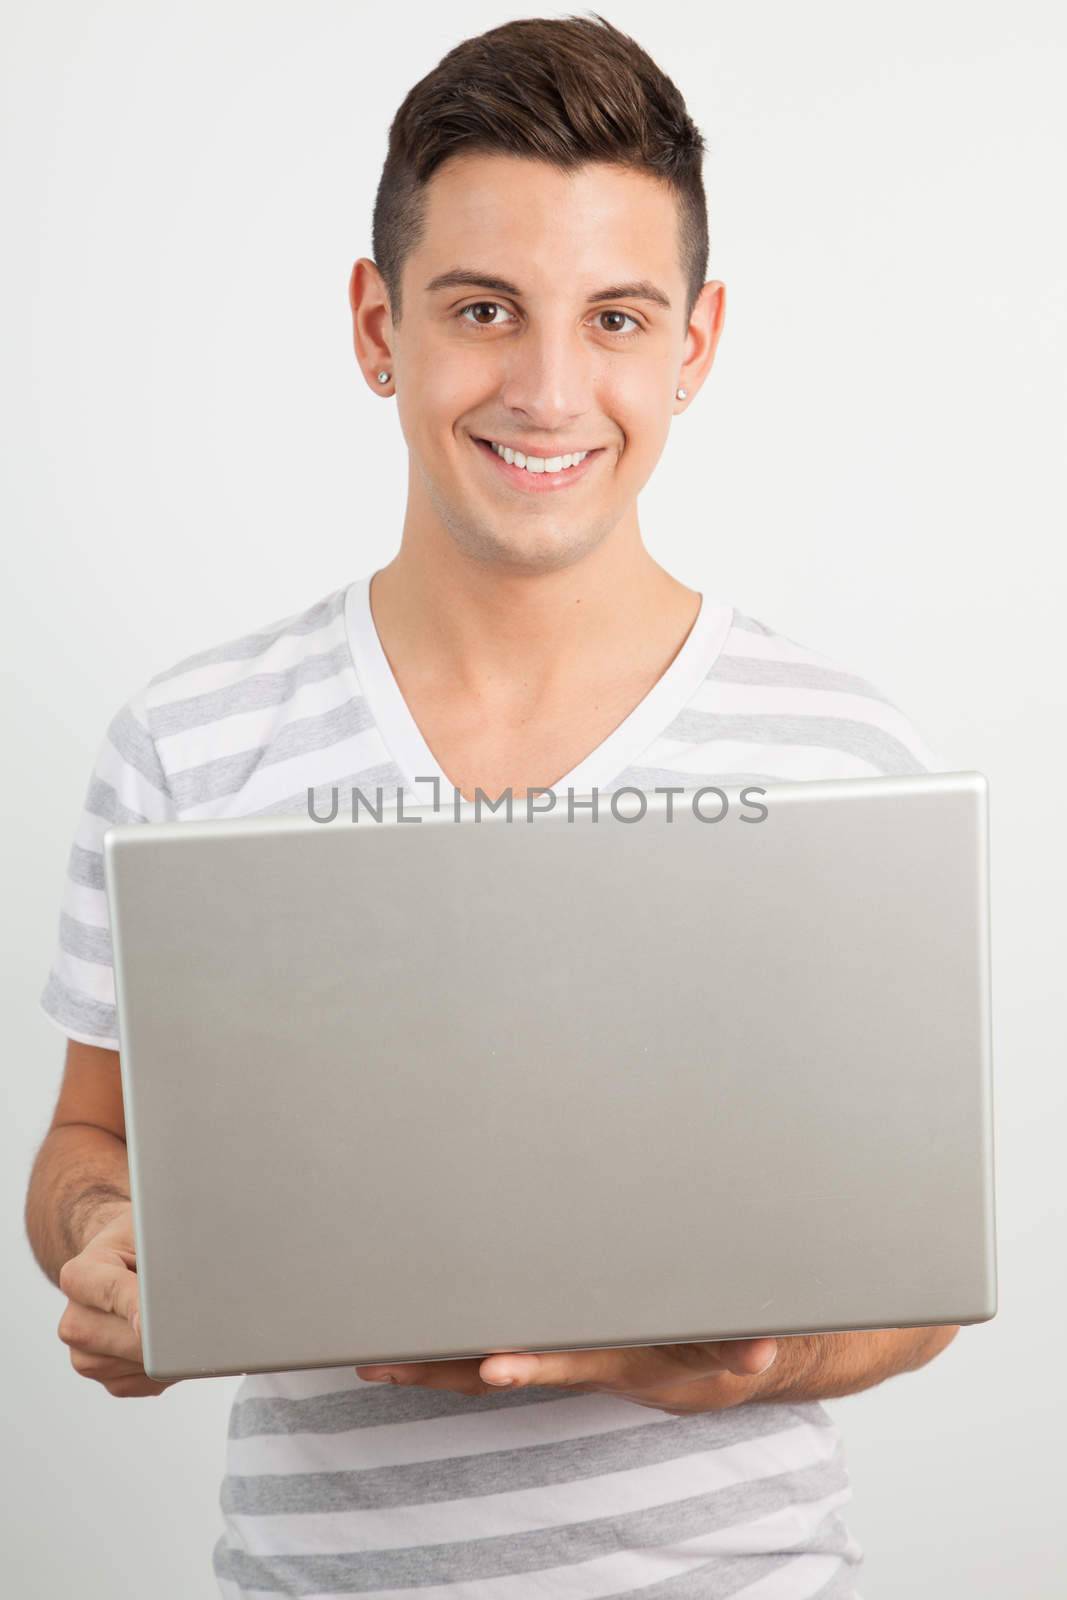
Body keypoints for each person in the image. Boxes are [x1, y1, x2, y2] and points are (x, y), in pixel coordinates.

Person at [25, 13, 961, 1598]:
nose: (547, 389)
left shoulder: (840, 754)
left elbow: (919, 1281)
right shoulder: (192, 745)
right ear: (377, 327)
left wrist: (756, 1358)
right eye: (482, 309)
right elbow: (85, 1143)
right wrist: (110, 1238)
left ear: (696, 343)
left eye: (613, 316)